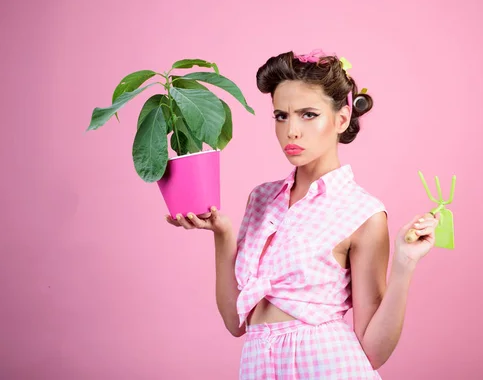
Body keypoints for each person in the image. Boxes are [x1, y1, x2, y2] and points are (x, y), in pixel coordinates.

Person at [166, 49, 440, 379]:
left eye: (308, 114)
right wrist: (222, 233)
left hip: (327, 367)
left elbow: (374, 351)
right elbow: (235, 323)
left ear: (341, 119)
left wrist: (404, 264)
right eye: (281, 116)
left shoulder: (363, 212)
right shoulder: (262, 199)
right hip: (259, 368)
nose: (291, 131)